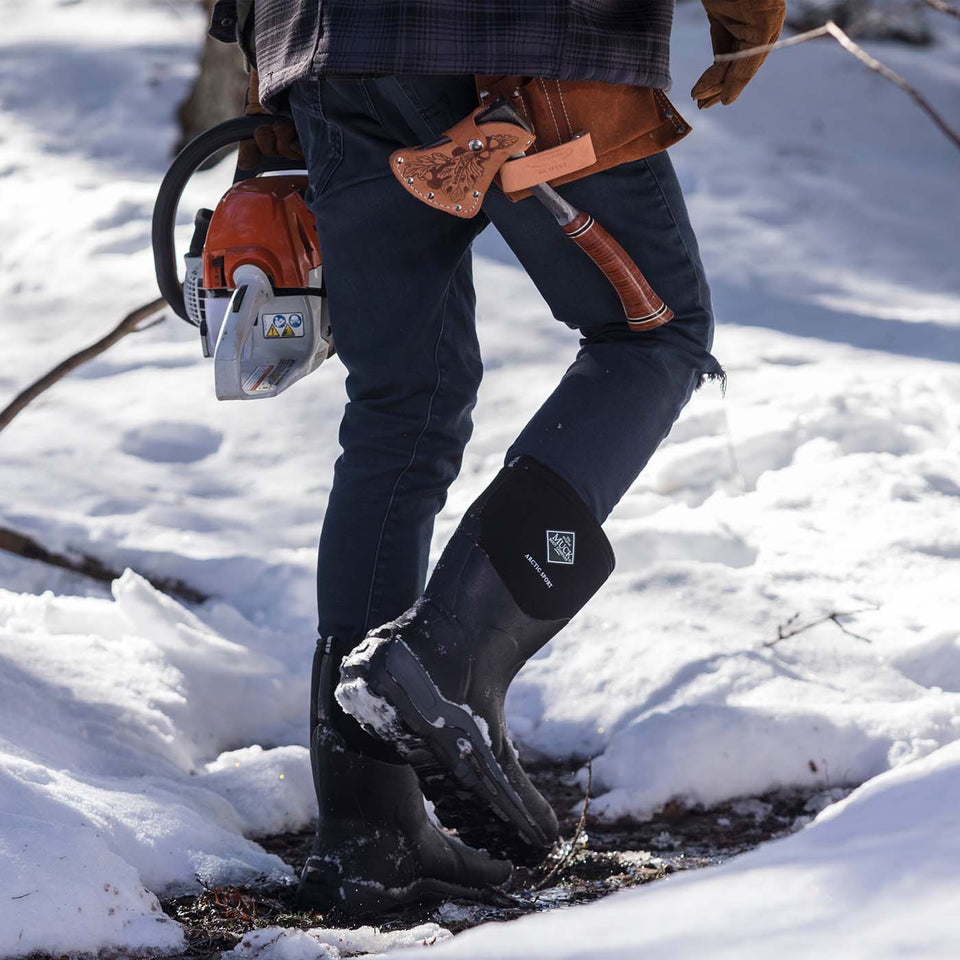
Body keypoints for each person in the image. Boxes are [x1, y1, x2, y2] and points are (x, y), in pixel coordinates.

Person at [210, 0, 785, 915]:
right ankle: (450, 658)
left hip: (325, 45)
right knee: (655, 336)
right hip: (525, 35)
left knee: (401, 408)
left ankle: (372, 833)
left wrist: (269, 56)